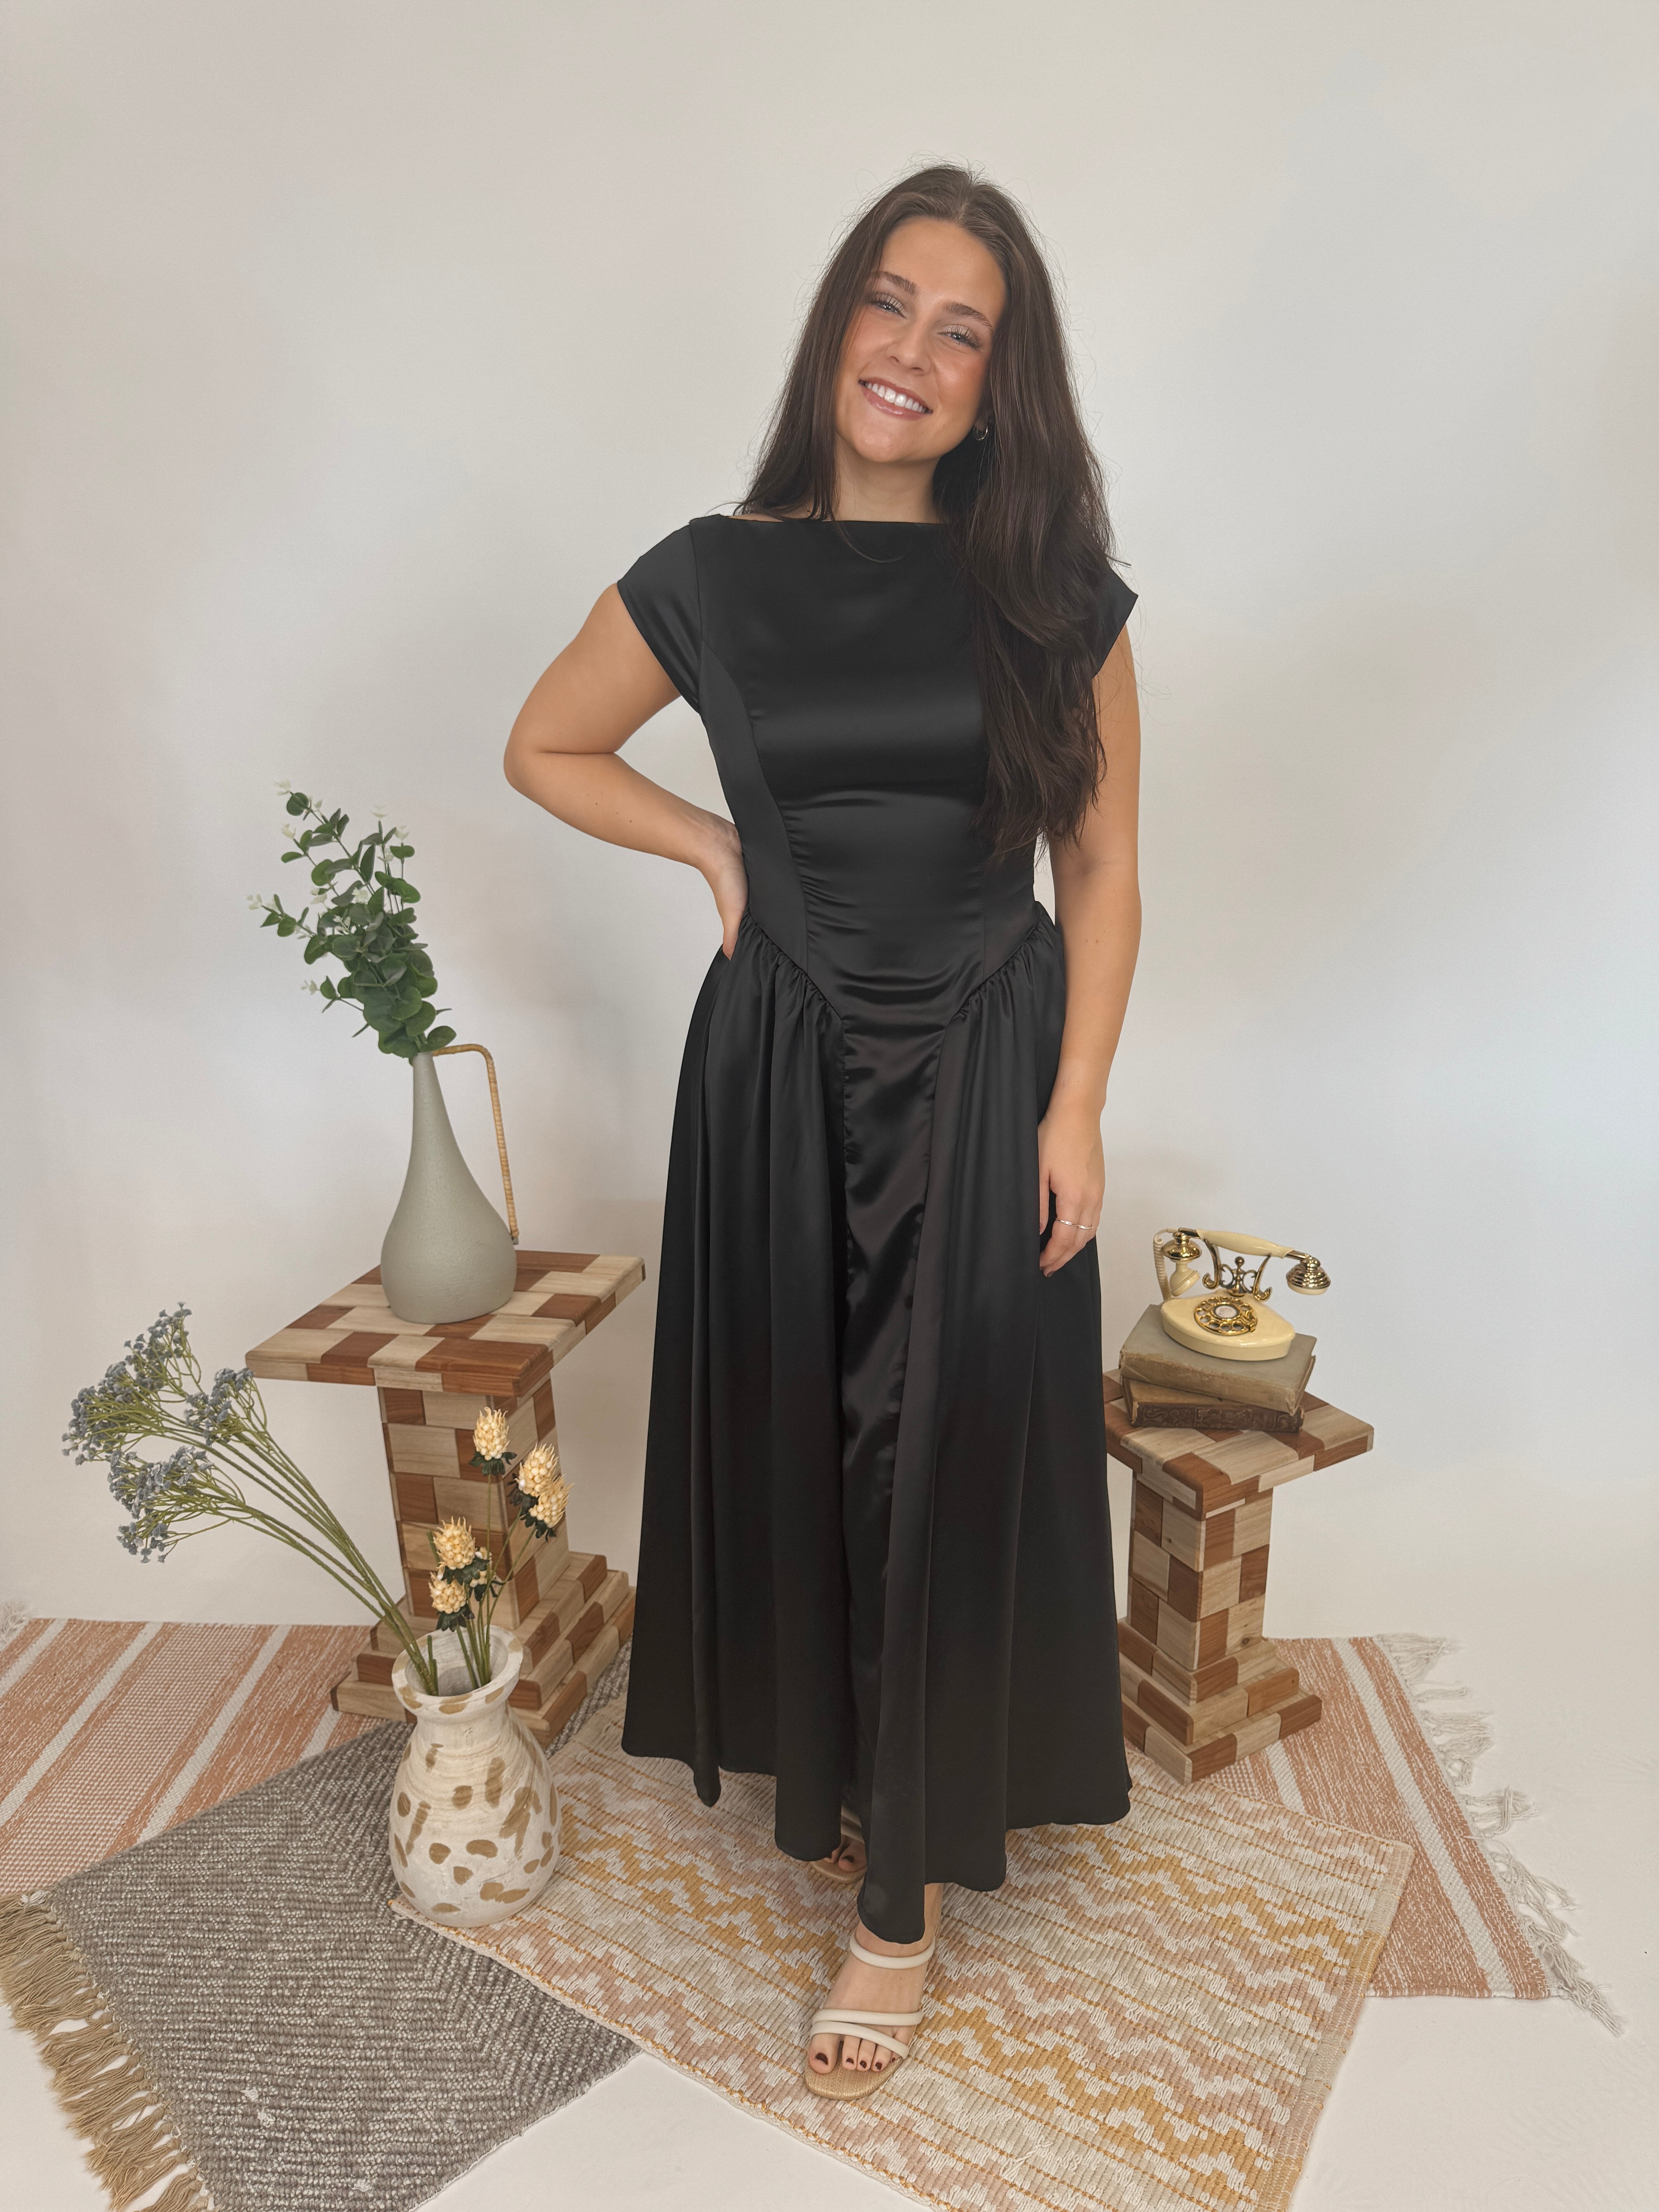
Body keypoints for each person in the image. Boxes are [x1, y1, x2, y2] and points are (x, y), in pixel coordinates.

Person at [505, 163, 1141, 2099]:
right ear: (836, 327)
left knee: (937, 1441)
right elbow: (546, 742)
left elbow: (1104, 864)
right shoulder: (712, 570)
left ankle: (898, 1909)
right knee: (814, 1420)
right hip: (778, 1054)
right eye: (892, 303)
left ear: (1000, 383)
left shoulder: (1052, 591)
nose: (916, 352)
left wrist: (1083, 1100)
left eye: (967, 331)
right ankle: (853, 1767)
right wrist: (707, 840)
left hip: (981, 1044)